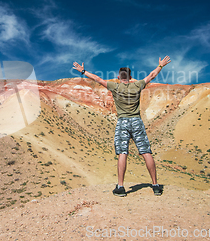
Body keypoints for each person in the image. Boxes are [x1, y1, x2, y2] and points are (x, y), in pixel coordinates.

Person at [72, 56, 171, 197]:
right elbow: (151, 75)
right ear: (131, 77)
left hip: (122, 122)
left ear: (118, 77)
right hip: (137, 121)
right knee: (145, 152)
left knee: (122, 153)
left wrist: (83, 71)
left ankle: (120, 187)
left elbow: (97, 79)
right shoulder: (137, 85)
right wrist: (160, 66)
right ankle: (155, 185)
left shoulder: (115, 86)